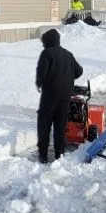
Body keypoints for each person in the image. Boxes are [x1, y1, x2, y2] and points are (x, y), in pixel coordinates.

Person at [35, 29, 83, 163]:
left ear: (47, 41)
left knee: (44, 123)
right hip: (66, 96)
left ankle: (43, 154)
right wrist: (67, 77)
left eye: (44, 41)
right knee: (60, 125)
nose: (43, 44)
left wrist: (39, 83)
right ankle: (59, 154)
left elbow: (41, 72)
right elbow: (79, 71)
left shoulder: (47, 53)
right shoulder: (68, 54)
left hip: (50, 95)